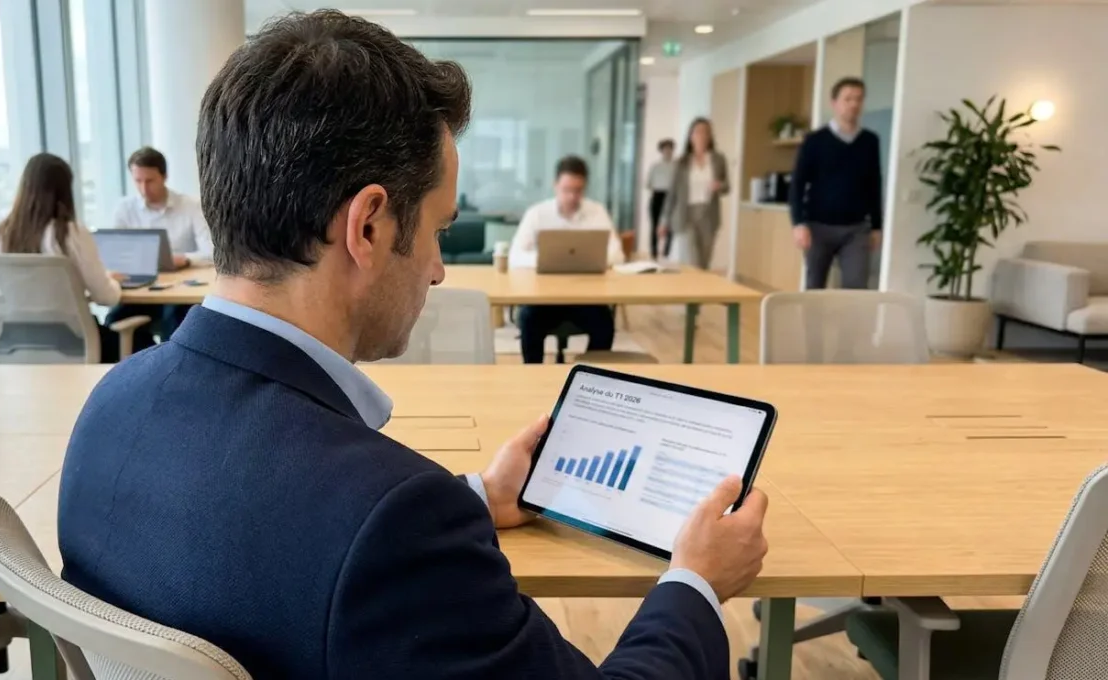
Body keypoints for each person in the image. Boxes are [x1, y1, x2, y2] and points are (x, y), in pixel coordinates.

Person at [58, 10, 768, 679]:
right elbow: (348, 542)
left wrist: (479, 497)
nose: (437, 267)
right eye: (437, 228)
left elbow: (271, 550)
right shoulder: (394, 522)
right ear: (367, 227)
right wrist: (696, 583)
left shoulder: (111, 407)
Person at [0, 153, 153, 362]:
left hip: (17, 343)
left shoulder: (2, 234)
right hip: (75, 342)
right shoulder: (69, 233)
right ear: (65, 190)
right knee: (147, 347)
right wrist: (110, 281)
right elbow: (106, 297)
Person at [509, 156, 626, 364]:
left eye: (578, 190)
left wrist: (590, 259)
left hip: (586, 297)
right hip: (544, 298)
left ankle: (589, 377)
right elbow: (515, 256)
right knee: (528, 319)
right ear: (556, 186)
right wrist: (548, 259)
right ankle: (533, 375)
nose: (572, 196)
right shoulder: (537, 214)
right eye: (567, 189)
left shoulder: (596, 212)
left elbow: (618, 254)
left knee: (605, 325)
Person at [107, 147, 213, 338]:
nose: (143, 189)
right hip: (139, 290)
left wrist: (185, 260)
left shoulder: (190, 206)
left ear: (164, 176)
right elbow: (116, 255)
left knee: (172, 319)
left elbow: (211, 252)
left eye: (149, 181)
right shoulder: (125, 209)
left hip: (179, 289)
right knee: (114, 320)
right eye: (138, 181)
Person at [789, 77, 883, 289]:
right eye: (847, 98)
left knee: (856, 288)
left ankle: (849, 324)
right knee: (815, 286)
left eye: (858, 99)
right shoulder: (814, 140)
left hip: (856, 229)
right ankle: (813, 324)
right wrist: (798, 223)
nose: (853, 104)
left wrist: (877, 226)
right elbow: (798, 184)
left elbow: (874, 183)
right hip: (818, 227)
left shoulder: (870, 141)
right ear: (834, 103)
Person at [662, 118, 729, 270]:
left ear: (710, 136)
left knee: (704, 263)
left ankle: (700, 292)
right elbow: (672, 193)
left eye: (706, 132)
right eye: (698, 132)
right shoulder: (682, 162)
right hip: (686, 215)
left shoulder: (718, 160)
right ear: (691, 136)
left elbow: (727, 187)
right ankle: (691, 292)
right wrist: (664, 220)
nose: (702, 136)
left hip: (709, 215)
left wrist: (719, 186)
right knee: (693, 263)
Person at [646, 138, 676, 258]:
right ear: (661, 150)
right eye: (665, 149)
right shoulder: (655, 166)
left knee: (670, 226)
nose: (667, 151)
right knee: (655, 225)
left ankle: (666, 252)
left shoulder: (676, 166)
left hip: (670, 196)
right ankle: (654, 252)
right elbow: (648, 183)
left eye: (670, 149)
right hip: (657, 196)